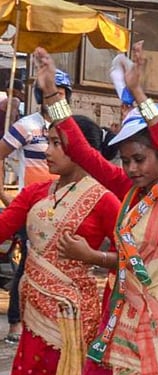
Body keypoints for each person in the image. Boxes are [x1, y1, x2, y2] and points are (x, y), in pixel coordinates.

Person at [40, 43, 158, 375]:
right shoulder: (129, 192)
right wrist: (51, 96)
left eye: (139, 159)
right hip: (123, 319)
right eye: (125, 160)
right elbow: (81, 150)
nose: (129, 168)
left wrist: (141, 94)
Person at [0, 115, 119, 375]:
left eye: (57, 143)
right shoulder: (36, 192)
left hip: (71, 324)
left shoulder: (105, 200)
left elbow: (134, 258)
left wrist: (94, 258)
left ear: (83, 150)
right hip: (34, 317)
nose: (48, 151)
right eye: (48, 141)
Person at [0, 69, 73, 344]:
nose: (56, 98)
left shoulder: (71, 127)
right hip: (31, 206)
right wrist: (6, 198)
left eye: (62, 93)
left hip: (65, 206)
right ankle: (17, 323)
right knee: (29, 263)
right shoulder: (26, 126)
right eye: (50, 93)